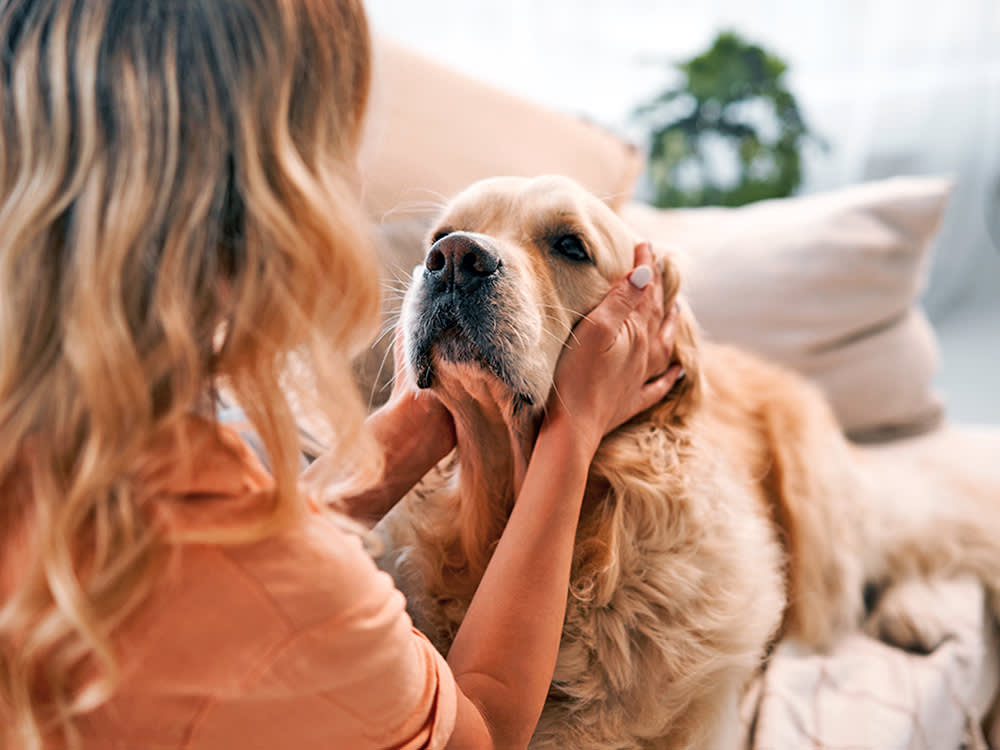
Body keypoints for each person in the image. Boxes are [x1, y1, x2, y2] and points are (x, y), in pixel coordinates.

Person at [0, 1, 681, 749]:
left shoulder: (91, 442)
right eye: (337, 145)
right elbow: (479, 726)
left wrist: (416, 419)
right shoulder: (289, 595)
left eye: (566, 246)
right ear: (279, 202)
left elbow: (256, 536)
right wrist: (570, 431)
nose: (459, 257)